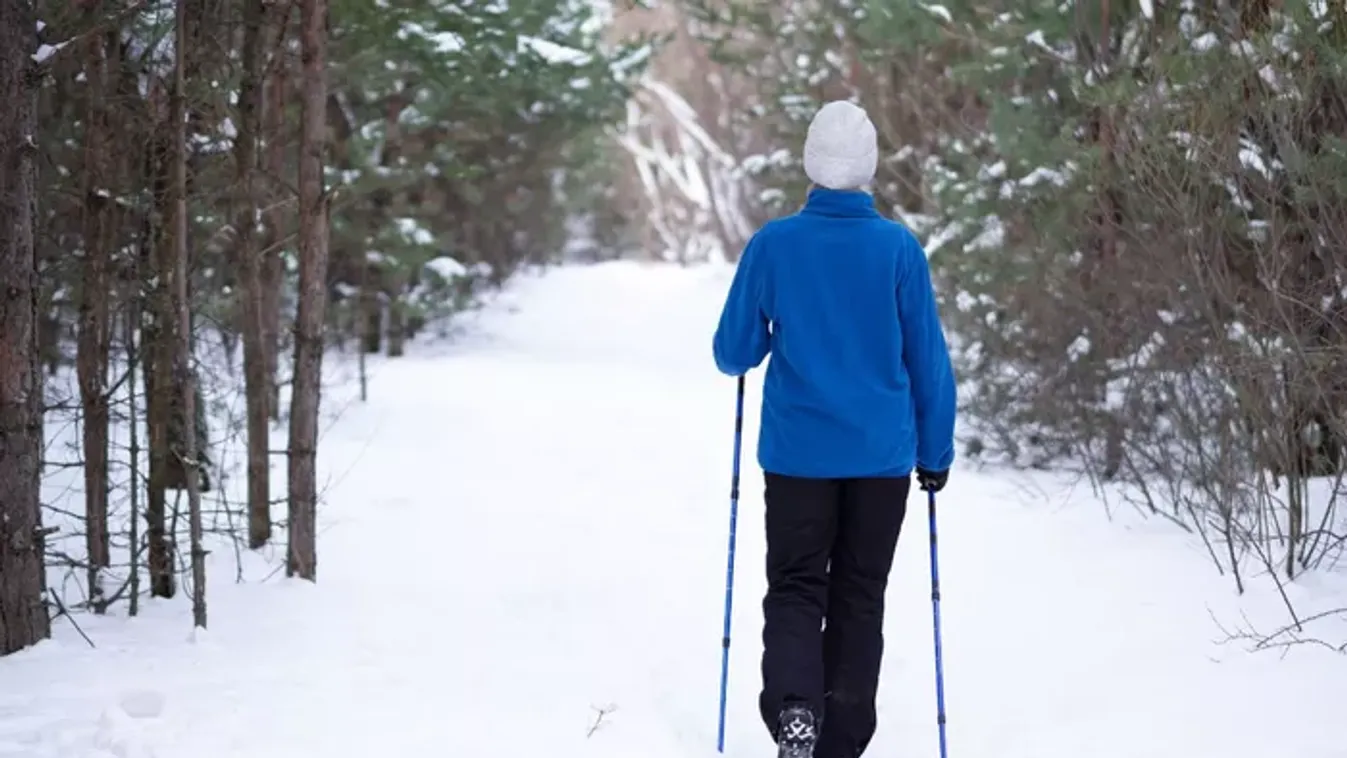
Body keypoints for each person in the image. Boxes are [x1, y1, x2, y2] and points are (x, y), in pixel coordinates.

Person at [711, 100, 957, 758]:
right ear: (869, 170)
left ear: (810, 165)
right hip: (880, 458)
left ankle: (794, 705)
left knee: (795, 585)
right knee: (858, 592)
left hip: (796, 455)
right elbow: (926, 361)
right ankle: (840, 740)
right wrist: (934, 453)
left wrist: (773, 328)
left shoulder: (773, 245)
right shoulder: (898, 249)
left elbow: (732, 352)